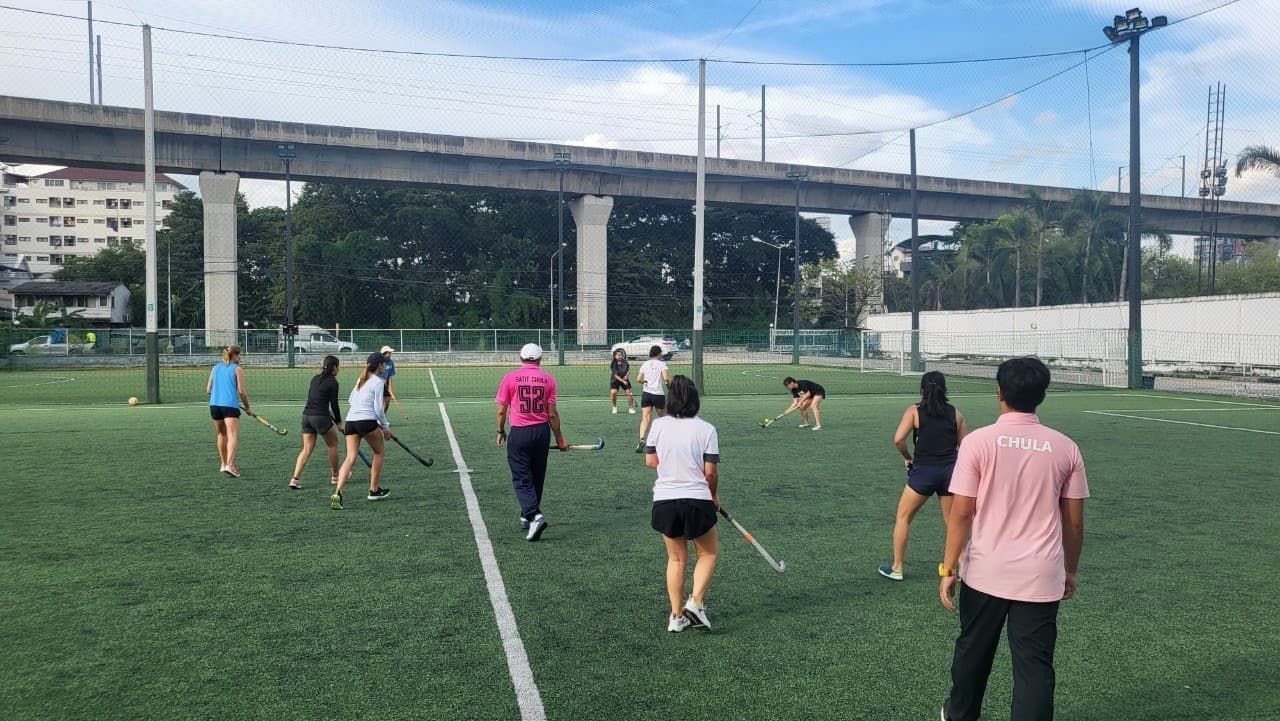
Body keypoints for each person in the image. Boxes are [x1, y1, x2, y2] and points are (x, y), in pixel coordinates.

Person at [939, 357, 1088, 721]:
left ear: (999, 393)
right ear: (1042, 395)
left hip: (986, 571)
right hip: (1040, 575)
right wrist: (1069, 570)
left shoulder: (978, 442)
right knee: (1034, 667)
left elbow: (961, 512)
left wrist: (948, 567)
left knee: (973, 653)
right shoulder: (1065, 447)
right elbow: (1074, 523)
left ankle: (958, 715)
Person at [644, 375, 719, 633]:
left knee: (676, 559)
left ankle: (676, 616)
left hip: (665, 499)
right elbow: (710, 472)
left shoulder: (658, 425)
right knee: (707, 553)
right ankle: (696, 602)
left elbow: (651, 462)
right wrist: (714, 495)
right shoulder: (707, 429)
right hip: (697, 499)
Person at [878, 371, 969, 581]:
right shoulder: (956, 414)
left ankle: (897, 567)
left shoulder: (914, 411)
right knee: (953, 522)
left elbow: (898, 439)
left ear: (922, 388)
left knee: (903, 517)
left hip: (923, 473)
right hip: (949, 473)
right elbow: (966, 446)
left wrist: (908, 457)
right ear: (945, 389)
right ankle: (964, 568)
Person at [495, 343, 568, 541]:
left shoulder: (510, 378)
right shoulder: (548, 379)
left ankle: (534, 515)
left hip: (519, 432)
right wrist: (560, 439)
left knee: (521, 477)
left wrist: (501, 430)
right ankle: (526, 514)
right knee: (537, 475)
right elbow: (552, 415)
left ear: (520, 358)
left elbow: (502, 410)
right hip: (541, 432)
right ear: (540, 359)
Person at [330, 353, 397, 510]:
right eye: (383, 365)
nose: (385, 367)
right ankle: (373, 490)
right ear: (379, 366)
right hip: (366, 421)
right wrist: (385, 427)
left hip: (351, 422)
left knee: (350, 457)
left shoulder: (360, 380)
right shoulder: (379, 382)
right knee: (379, 453)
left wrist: (375, 422)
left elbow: (352, 400)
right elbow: (379, 409)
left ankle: (338, 492)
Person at [289, 355, 344, 490]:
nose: (339, 369)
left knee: (307, 448)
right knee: (333, 445)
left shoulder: (315, 379)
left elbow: (315, 398)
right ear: (335, 367)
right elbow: (334, 404)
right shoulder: (333, 382)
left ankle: (294, 479)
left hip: (307, 416)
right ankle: (335, 476)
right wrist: (339, 422)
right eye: (338, 367)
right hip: (320, 417)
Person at [207, 345, 251, 478]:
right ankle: (230, 465)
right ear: (235, 355)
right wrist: (247, 407)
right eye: (239, 355)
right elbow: (242, 391)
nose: (240, 357)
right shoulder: (237, 369)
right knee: (232, 435)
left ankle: (223, 464)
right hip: (230, 406)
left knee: (221, 434)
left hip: (214, 405)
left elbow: (208, 389)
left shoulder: (215, 368)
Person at [635, 345, 670, 452]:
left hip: (647, 394)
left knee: (645, 418)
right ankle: (666, 441)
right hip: (658, 394)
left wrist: (645, 382)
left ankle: (641, 439)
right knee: (664, 418)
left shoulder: (645, 364)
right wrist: (670, 388)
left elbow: (639, 379)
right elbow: (667, 379)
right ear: (659, 354)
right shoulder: (662, 365)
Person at [609, 348, 636, 415]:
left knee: (629, 393)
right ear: (615, 356)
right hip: (615, 380)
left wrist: (626, 376)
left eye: (621, 355)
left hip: (624, 379)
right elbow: (615, 376)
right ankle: (614, 407)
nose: (620, 356)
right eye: (618, 355)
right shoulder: (613, 364)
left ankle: (631, 408)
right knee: (613, 393)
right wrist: (623, 381)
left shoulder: (625, 362)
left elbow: (629, 369)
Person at [378, 345, 397, 414]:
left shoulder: (391, 362)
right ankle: (376, 419)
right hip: (378, 385)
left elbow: (390, 375)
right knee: (379, 404)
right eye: (389, 353)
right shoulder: (378, 362)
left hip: (386, 385)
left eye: (390, 353)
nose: (390, 354)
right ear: (384, 353)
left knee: (387, 402)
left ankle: (382, 418)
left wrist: (390, 387)